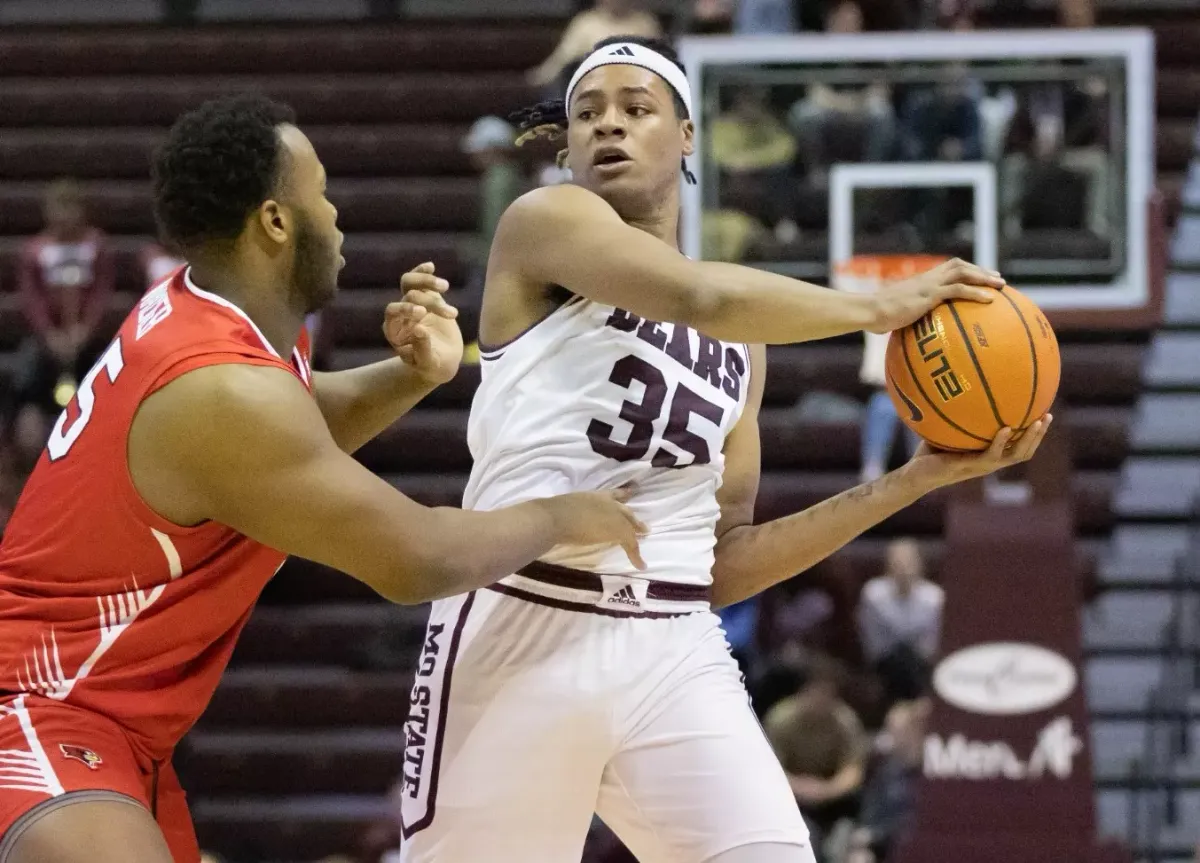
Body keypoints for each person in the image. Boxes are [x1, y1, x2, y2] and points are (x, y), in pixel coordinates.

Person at [396, 36, 1052, 863]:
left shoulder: (747, 348)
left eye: (637, 110)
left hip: (670, 641)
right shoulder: (544, 224)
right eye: (587, 114)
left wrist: (914, 479)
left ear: (687, 135)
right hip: (523, 617)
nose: (609, 127)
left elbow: (723, 564)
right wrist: (880, 306)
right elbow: (699, 292)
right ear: (564, 146)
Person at [0, 95, 646, 863]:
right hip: (40, 709)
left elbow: (290, 432)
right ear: (277, 221)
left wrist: (413, 378)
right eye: (324, 194)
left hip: (112, 727)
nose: (338, 218)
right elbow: (416, 557)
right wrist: (563, 515)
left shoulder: (197, 314)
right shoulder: (221, 388)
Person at [14, 179, 115, 452]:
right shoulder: (35, 250)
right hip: (47, 338)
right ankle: (26, 439)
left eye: (71, 208)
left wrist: (85, 330)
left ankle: (104, 439)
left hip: (86, 336)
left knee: (111, 371)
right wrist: (49, 333)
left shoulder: (96, 246)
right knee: (25, 373)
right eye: (59, 208)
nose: (65, 216)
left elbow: (100, 293)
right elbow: (31, 297)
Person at [764, 658, 868, 861]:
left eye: (828, 694)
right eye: (817, 692)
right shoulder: (780, 720)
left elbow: (853, 770)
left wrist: (827, 790)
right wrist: (799, 788)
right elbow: (767, 770)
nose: (822, 699)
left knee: (855, 808)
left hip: (830, 796)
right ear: (803, 691)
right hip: (790, 794)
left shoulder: (845, 722)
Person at [856, 539, 943, 704]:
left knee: (912, 664)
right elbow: (872, 642)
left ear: (920, 565)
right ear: (888, 565)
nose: (903, 568)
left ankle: (915, 706)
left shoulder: (935, 597)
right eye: (897, 562)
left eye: (908, 562)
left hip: (922, 663)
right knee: (900, 662)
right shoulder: (873, 594)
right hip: (885, 662)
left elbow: (934, 642)